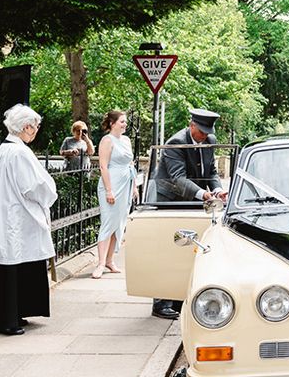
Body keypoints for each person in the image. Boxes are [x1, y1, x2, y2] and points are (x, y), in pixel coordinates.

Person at [0, 104, 57, 335]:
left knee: (9, 264)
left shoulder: (4, 150)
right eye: (35, 127)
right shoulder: (19, 152)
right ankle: (8, 320)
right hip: (15, 217)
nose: (35, 131)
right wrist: (50, 193)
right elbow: (35, 186)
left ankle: (12, 314)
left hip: (5, 215)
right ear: (26, 127)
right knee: (13, 262)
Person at [151, 108, 225, 319]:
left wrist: (217, 190)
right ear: (191, 125)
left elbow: (210, 171)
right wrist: (203, 194)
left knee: (189, 246)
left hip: (192, 199)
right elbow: (178, 178)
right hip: (171, 199)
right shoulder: (176, 143)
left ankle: (178, 298)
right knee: (168, 249)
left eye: (207, 132)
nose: (204, 136)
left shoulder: (209, 139)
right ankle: (161, 302)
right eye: (201, 131)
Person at [92, 110, 137, 279]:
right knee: (108, 222)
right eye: (122, 122)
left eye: (125, 122)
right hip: (111, 184)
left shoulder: (126, 140)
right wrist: (109, 190)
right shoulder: (107, 140)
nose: (125, 124)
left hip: (125, 184)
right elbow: (103, 167)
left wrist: (133, 187)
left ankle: (110, 261)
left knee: (119, 223)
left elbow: (130, 163)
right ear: (112, 123)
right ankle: (101, 263)